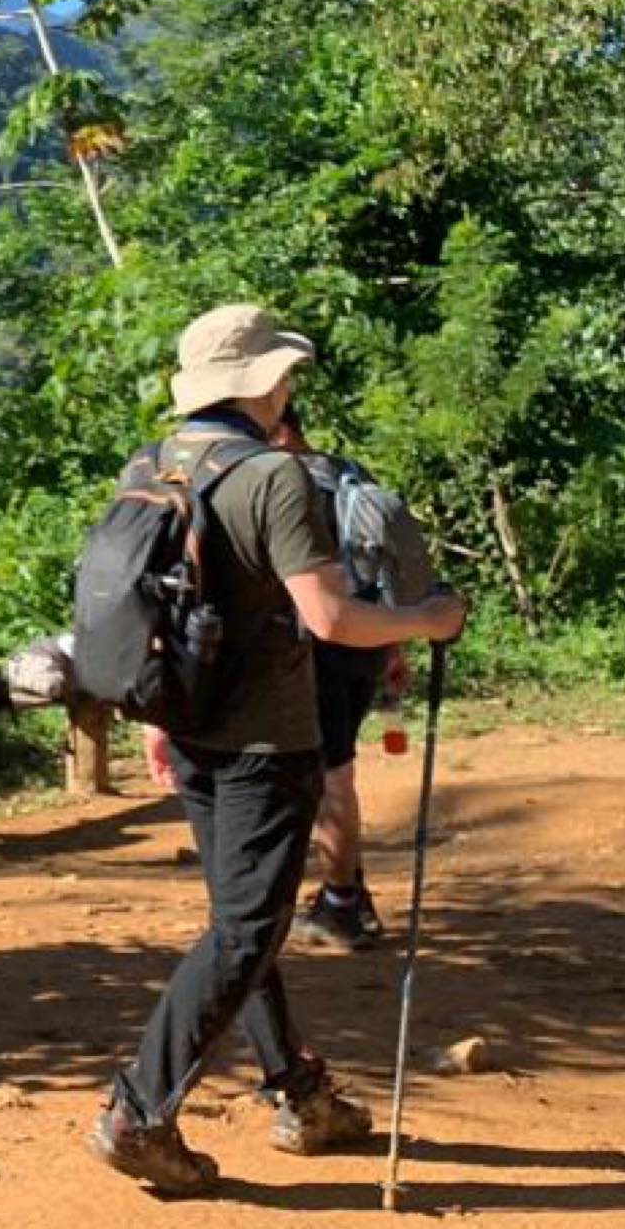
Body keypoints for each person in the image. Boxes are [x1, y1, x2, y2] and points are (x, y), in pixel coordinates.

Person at [89, 305, 467, 1197]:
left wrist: (153, 716)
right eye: (282, 373)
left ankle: (303, 1096)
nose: (288, 385)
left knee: (239, 923)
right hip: (266, 738)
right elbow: (331, 618)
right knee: (247, 928)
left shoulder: (152, 463)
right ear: (261, 384)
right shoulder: (274, 477)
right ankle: (137, 1111)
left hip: (190, 726)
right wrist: (427, 617)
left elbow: (154, 599)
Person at [271, 403, 411, 951]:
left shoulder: (285, 483)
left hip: (318, 647)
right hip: (364, 639)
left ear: (281, 429)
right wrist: (391, 641)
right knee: (334, 768)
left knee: (331, 776)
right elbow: (385, 566)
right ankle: (348, 889)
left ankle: (343, 904)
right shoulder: (348, 471)